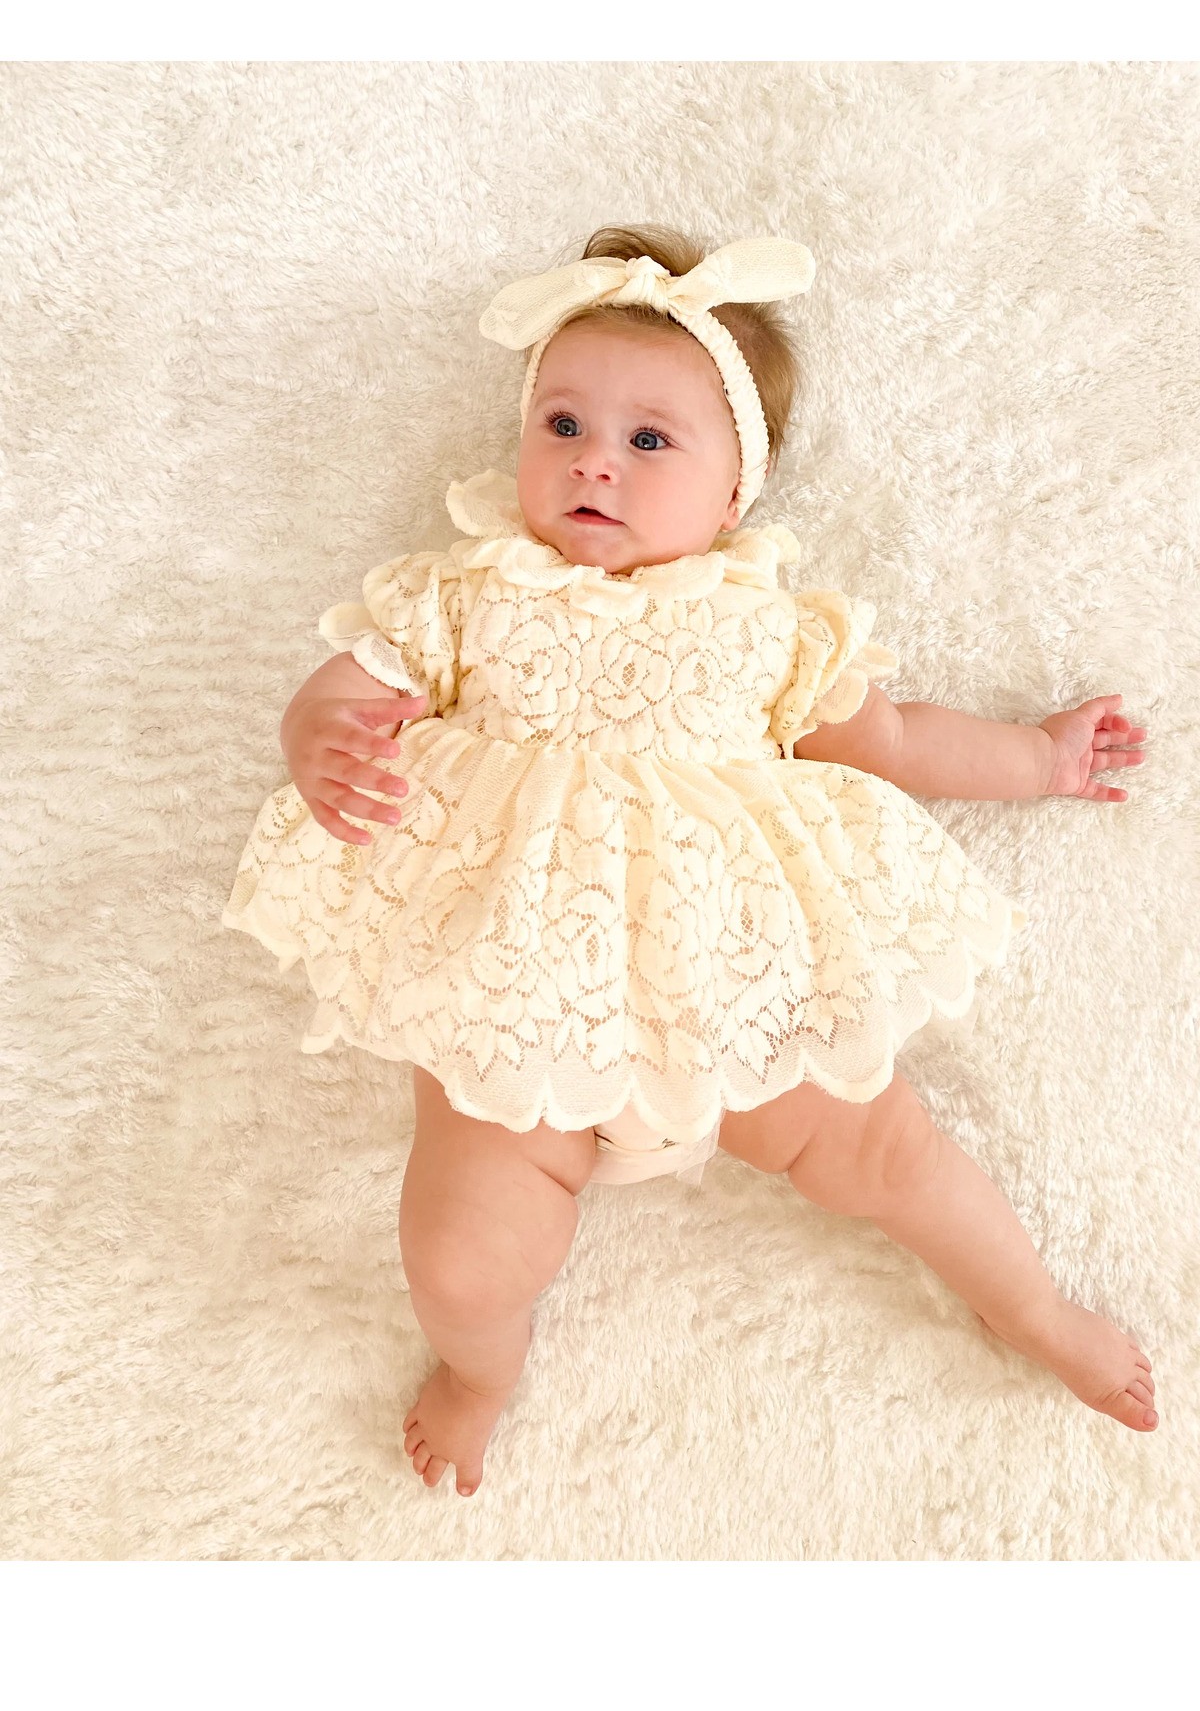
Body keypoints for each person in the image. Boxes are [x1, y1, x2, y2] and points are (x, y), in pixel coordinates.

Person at [222, 224, 1156, 1499]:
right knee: (459, 1257)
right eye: (562, 423)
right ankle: (479, 1371)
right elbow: (344, 690)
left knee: (894, 1155)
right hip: (518, 1016)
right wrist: (317, 738)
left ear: (733, 498)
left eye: (649, 440)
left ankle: (1032, 1306)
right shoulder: (469, 596)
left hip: (735, 995)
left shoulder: (762, 625)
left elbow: (891, 742)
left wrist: (1040, 759)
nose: (594, 461)